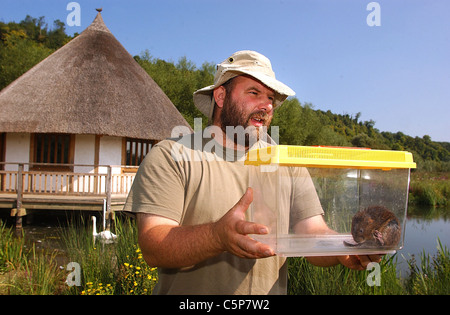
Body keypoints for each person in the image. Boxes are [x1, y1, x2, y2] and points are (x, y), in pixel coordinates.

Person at [123, 50, 382, 295]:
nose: (266, 106)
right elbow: (154, 246)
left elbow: (312, 232)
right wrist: (216, 236)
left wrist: (343, 248)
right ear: (221, 97)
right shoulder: (172, 156)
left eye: (270, 98)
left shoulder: (286, 161)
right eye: (254, 93)